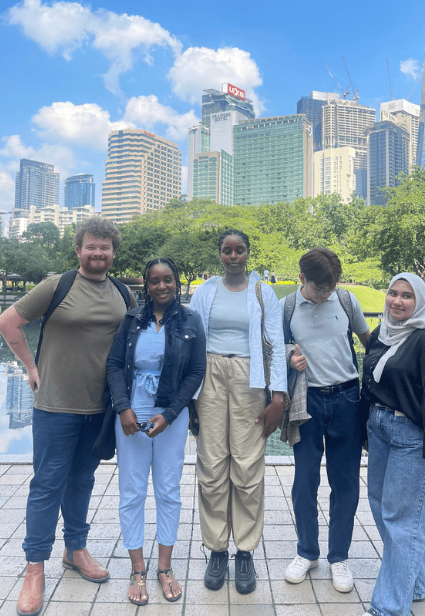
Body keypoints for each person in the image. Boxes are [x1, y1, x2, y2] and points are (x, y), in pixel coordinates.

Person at [0, 217, 137, 616]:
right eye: (90, 247)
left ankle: (75, 550)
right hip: (55, 406)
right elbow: (8, 322)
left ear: (113, 252)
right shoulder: (56, 286)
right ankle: (34, 567)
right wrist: (30, 365)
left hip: (100, 409)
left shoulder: (122, 293)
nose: (97, 253)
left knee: (82, 481)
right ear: (78, 250)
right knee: (46, 485)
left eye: (104, 248)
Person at [190, 229, 287, 594]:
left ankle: (244, 551)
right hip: (210, 375)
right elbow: (191, 338)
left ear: (248, 254)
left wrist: (278, 395)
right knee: (212, 464)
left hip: (251, 377)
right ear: (220, 255)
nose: (233, 256)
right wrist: (188, 394)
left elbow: (276, 343)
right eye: (227, 251)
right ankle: (216, 549)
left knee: (247, 465)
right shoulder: (205, 291)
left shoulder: (263, 293)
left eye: (240, 250)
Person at [106, 258, 206, 605]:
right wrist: (123, 407)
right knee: (132, 492)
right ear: (146, 285)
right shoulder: (132, 319)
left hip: (170, 417)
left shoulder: (191, 319)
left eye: (168, 280)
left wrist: (170, 413)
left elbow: (196, 372)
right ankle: (137, 569)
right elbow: (115, 364)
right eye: (154, 281)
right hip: (132, 417)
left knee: (168, 491)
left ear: (176, 282)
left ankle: (164, 568)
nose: (162, 286)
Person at [360, 273, 425, 616]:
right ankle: (417, 583)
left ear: (421, 302)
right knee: (385, 508)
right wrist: (364, 431)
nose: (397, 301)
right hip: (381, 428)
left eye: (407, 296)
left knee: (401, 519)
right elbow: (369, 385)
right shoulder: (382, 336)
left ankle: (387, 608)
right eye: (393, 293)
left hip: (412, 437)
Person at [280, 247, 370, 593]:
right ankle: (307, 551)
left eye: (331, 287)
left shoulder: (346, 301)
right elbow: (273, 349)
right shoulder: (288, 307)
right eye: (320, 288)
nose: (326, 294)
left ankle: (339, 556)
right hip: (307, 401)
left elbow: (369, 343)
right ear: (302, 279)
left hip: (346, 399)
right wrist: (290, 356)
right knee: (304, 480)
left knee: (344, 481)